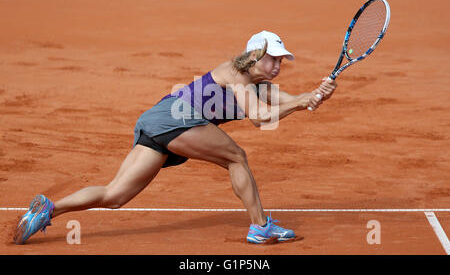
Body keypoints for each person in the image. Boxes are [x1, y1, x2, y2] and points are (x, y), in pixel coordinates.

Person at [13, 30, 337, 245]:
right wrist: (300, 102)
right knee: (236, 156)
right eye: (273, 58)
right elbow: (259, 118)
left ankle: (48, 209)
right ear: (254, 55)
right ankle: (260, 226)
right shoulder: (237, 73)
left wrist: (315, 95)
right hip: (174, 119)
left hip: (157, 120)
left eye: (281, 60)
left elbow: (289, 101)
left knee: (115, 196)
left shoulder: (258, 84)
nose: (278, 65)